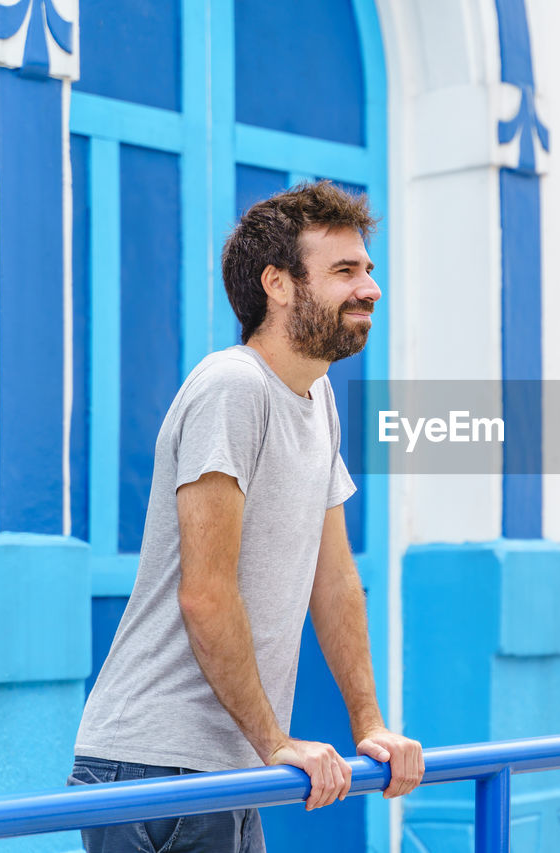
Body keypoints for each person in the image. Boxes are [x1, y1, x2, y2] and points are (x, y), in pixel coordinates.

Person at [69, 181, 422, 852]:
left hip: (226, 768)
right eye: (345, 270)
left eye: (368, 269)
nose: (370, 288)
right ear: (278, 284)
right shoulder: (232, 387)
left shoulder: (317, 400)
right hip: (155, 766)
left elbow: (334, 578)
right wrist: (278, 741)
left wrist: (368, 722)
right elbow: (205, 592)